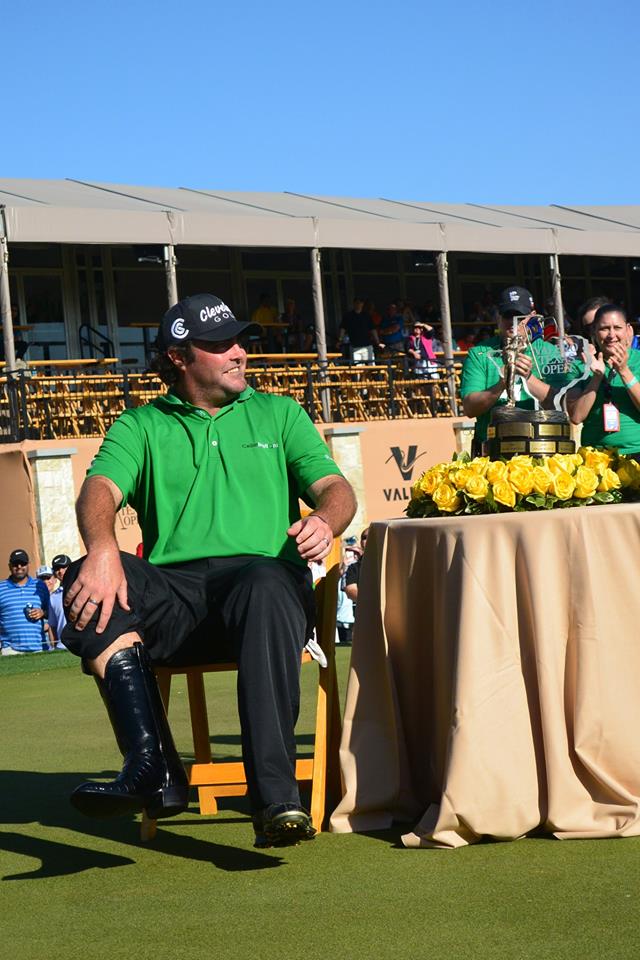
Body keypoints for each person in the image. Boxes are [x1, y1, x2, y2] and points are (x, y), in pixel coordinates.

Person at [61, 292, 357, 849]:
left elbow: (336, 490)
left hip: (260, 590)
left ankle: (274, 799)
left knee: (268, 579)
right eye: (220, 345)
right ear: (179, 356)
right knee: (84, 579)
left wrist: (326, 520)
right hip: (176, 596)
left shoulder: (280, 412)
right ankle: (154, 768)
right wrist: (101, 549)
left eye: (239, 341)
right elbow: (98, 490)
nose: (239, 353)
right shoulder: (141, 424)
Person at [460, 286, 566, 454]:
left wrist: (529, 378)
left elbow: (562, 406)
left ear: (532, 316)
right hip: (491, 452)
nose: (513, 322)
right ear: (498, 318)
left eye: (520, 316)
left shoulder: (548, 352)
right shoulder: (480, 353)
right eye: (508, 315)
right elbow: (470, 409)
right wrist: (503, 382)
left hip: (540, 450)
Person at [567, 304, 640, 459]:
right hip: (596, 457)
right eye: (604, 328)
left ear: (628, 330)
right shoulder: (580, 366)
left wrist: (624, 371)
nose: (611, 334)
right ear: (594, 331)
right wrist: (596, 378)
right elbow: (576, 416)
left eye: (617, 327)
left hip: (636, 452)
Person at [0, 550, 50, 655]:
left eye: (22, 563)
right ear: (9, 566)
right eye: (15, 564)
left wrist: (42, 613)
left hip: (39, 648)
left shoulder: (40, 585)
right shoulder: (1, 588)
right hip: (10, 650)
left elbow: (50, 613)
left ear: (28, 565)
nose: (19, 567)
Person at [338, 297, 379, 363]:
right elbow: (343, 328)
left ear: (362, 304)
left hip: (367, 345)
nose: (358, 305)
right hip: (354, 346)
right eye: (356, 303)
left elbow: (372, 329)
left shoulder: (367, 316)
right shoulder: (348, 316)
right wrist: (340, 340)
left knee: (371, 366)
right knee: (357, 368)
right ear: (353, 304)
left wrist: (377, 341)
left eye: (360, 303)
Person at [48, 554, 72, 650]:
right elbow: (52, 626)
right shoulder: (53, 597)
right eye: (57, 568)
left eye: (63, 567)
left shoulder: (84, 588)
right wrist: (54, 647)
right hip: (62, 647)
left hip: (83, 644)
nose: (60, 571)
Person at [344, 528, 369, 603]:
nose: (367, 540)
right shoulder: (354, 567)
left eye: (370, 537)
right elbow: (351, 590)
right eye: (364, 538)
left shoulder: (389, 562)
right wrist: (369, 602)